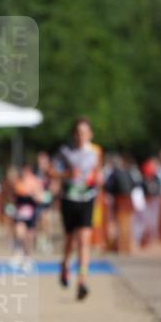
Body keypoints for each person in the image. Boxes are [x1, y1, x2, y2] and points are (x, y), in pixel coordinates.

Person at [54, 117, 102, 300]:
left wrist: (98, 179)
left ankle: (82, 281)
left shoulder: (96, 151)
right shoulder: (65, 151)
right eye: (78, 132)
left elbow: (97, 171)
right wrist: (66, 174)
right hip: (69, 199)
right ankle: (65, 265)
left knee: (84, 240)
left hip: (87, 198)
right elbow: (51, 171)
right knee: (71, 241)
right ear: (74, 134)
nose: (81, 136)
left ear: (90, 134)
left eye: (85, 132)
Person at [10, 163, 43, 269]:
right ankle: (17, 254)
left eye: (27, 171)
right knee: (19, 232)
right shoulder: (18, 182)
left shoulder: (35, 182)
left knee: (29, 237)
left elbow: (39, 198)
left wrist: (31, 194)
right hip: (20, 212)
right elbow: (13, 197)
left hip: (31, 212)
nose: (25, 173)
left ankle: (27, 258)